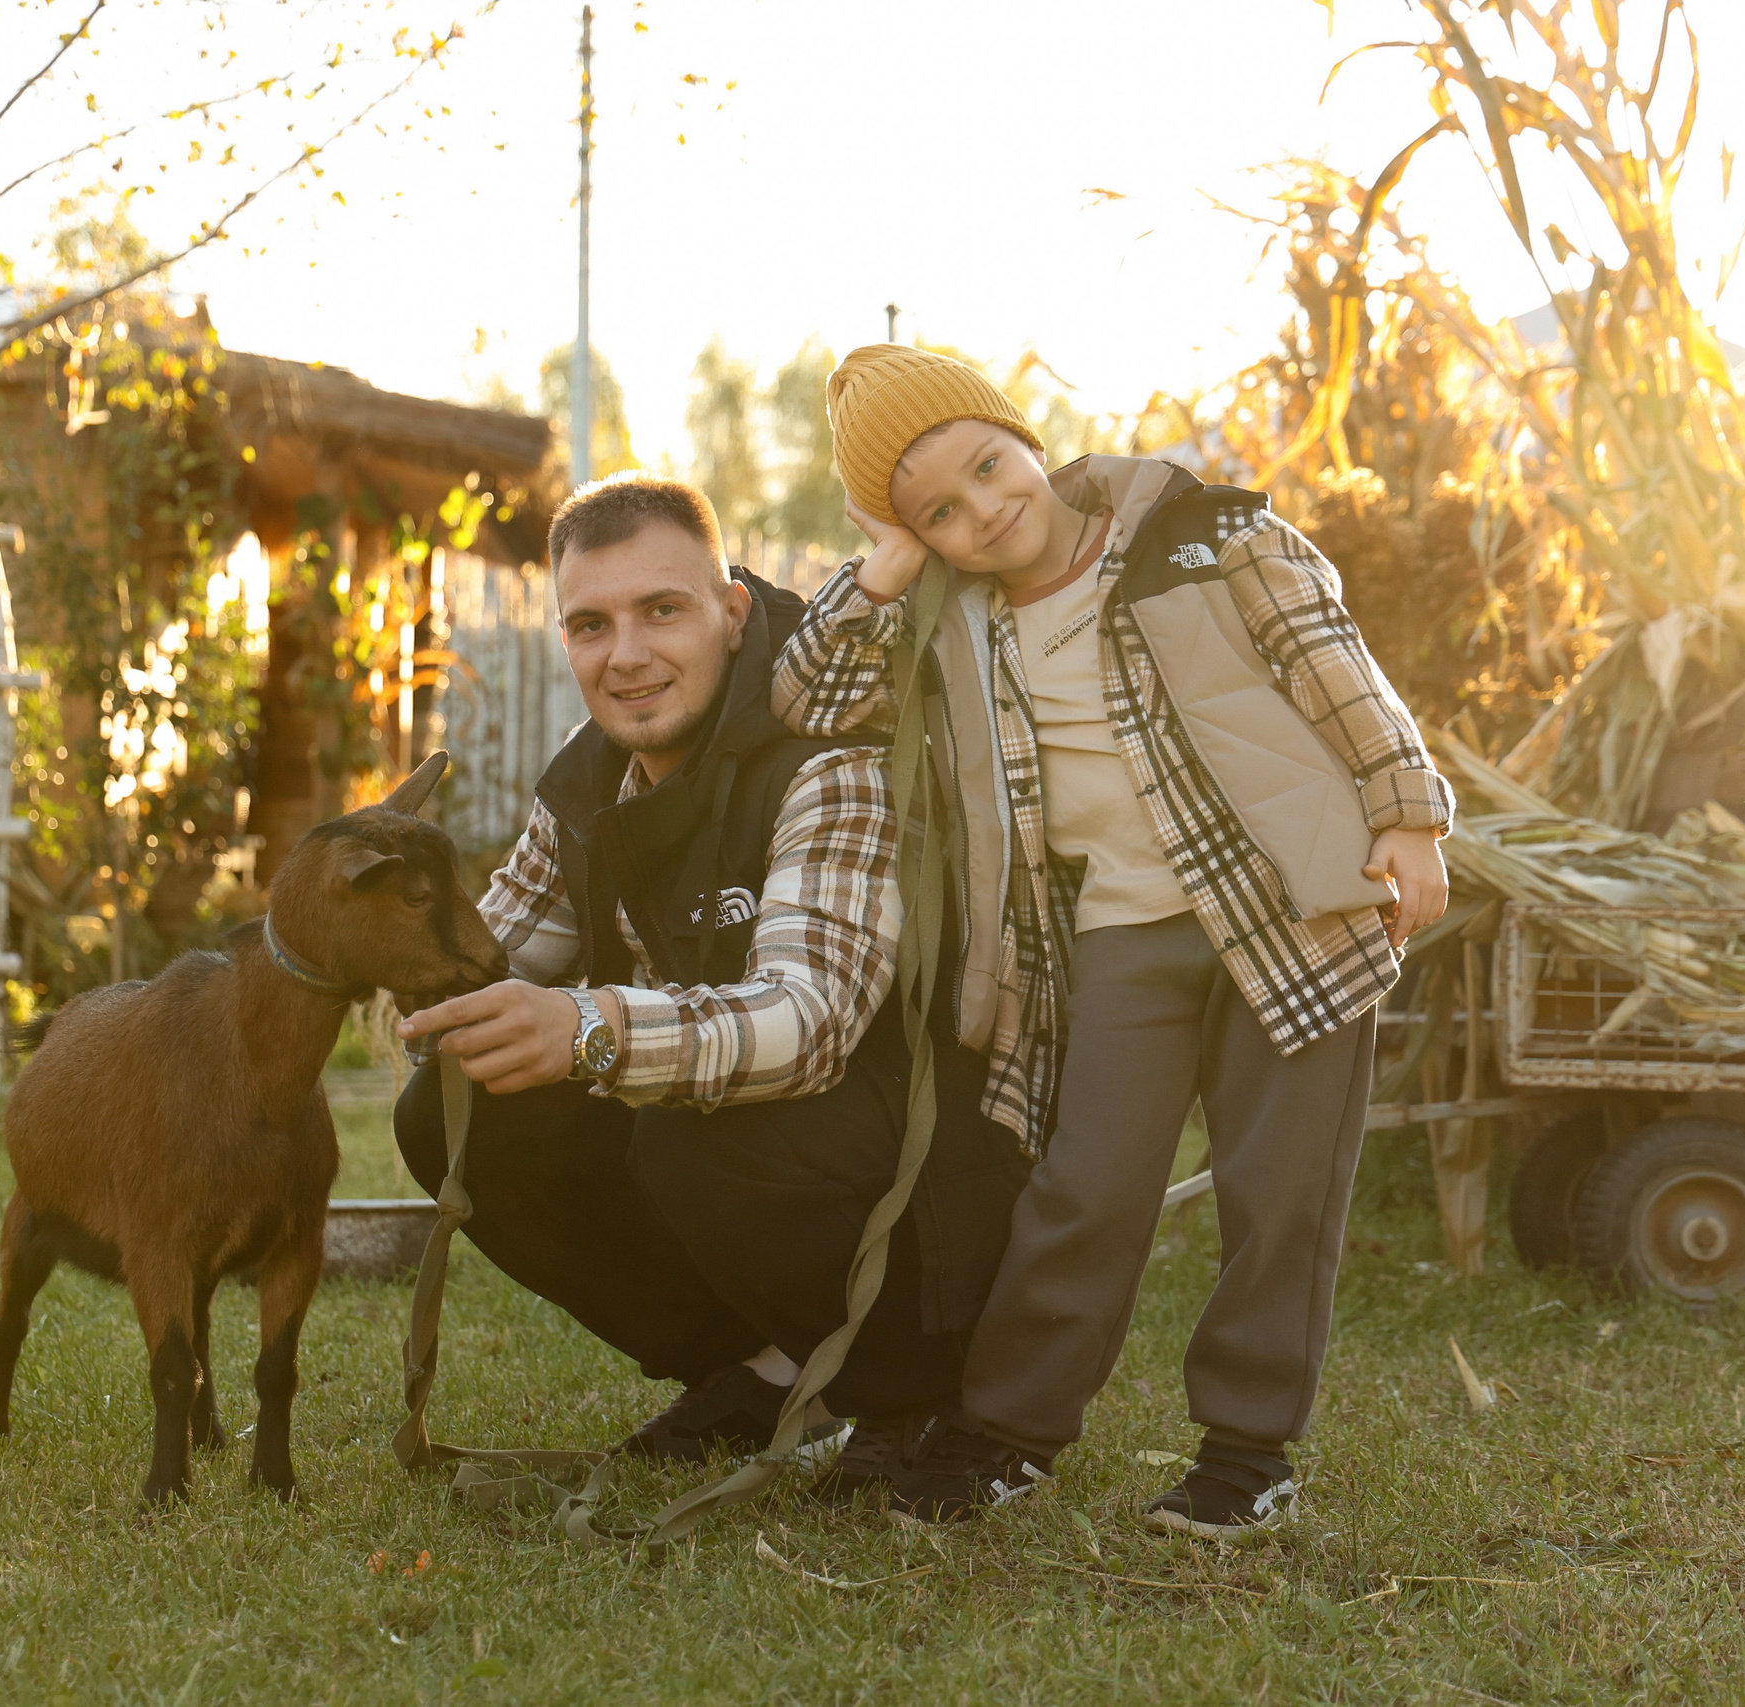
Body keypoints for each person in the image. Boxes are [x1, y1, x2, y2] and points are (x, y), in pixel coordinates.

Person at [773, 345, 1452, 1537]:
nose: (984, 511)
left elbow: (1334, 665)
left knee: (1279, 1192)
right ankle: (1009, 1431)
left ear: (1026, 440)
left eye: (988, 467)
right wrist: (881, 570)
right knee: (1084, 1186)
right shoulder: (949, 622)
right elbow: (805, 702)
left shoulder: (1203, 536)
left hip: (1295, 903)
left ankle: (1246, 1454)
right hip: (1124, 932)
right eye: (939, 512)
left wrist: (1406, 817)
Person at [390, 473, 1028, 1461]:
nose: (626, 656)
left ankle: (917, 1386)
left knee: (690, 1133)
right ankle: (765, 1375)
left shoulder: (828, 749)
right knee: (451, 1106)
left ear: (731, 613)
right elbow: (486, 962)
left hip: (929, 1184)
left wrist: (592, 1027)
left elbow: (808, 1023)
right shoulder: (588, 775)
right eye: (591, 625)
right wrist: (367, 938)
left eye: (662, 611)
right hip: (761, 1159)